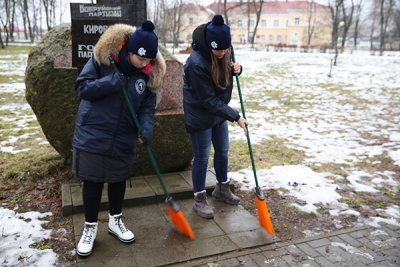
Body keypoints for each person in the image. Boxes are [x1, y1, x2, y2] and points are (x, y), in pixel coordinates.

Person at [71, 20, 166, 256]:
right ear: (129, 50)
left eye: (148, 61)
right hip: (94, 131)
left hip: (123, 135)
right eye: (140, 59)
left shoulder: (146, 76)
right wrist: (110, 83)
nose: (144, 64)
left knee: (117, 180)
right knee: (93, 182)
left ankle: (115, 221)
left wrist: (146, 128)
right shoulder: (103, 61)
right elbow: (82, 87)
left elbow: (146, 107)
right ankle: (90, 228)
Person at [182, 14, 248, 219]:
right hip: (201, 113)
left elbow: (225, 70)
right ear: (209, 45)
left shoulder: (224, 50)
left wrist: (237, 69)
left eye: (226, 49)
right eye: (218, 49)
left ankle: (222, 188)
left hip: (219, 111)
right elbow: (207, 100)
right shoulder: (196, 63)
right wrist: (235, 116)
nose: (223, 53)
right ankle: (200, 199)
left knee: (223, 151)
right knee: (202, 157)